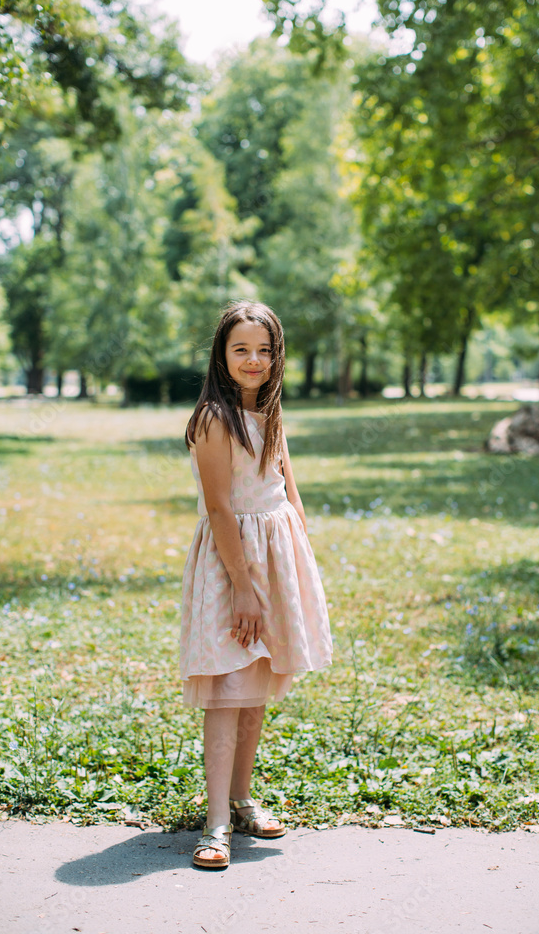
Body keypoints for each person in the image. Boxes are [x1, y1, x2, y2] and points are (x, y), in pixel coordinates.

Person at [180, 299, 333, 869]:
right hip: (233, 566)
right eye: (241, 349)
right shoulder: (214, 419)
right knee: (227, 689)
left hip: (276, 560)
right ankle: (216, 820)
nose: (253, 360)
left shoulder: (270, 411)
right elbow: (220, 509)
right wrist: (243, 587)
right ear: (221, 354)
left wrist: (300, 561)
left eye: (264, 350)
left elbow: (289, 489)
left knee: (256, 687)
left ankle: (242, 799)